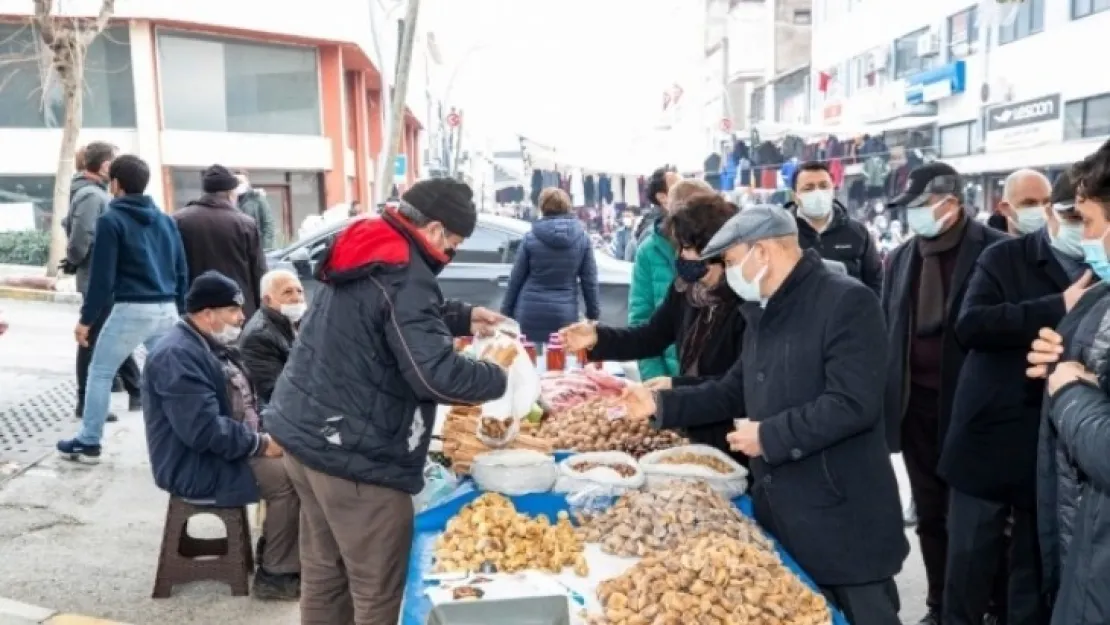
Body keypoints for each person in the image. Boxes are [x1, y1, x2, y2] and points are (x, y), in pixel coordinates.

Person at [621, 205, 907, 623]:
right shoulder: (764, 309)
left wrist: (769, 435)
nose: (731, 273)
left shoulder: (847, 302)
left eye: (733, 262)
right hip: (785, 513)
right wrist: (661, 404)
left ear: (763, 252)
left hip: (843, 520)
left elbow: (852, 404)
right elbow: (733, 388)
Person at [263, 178, 509, 625]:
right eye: (453, 241)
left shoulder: (368, 241)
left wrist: (461, 315)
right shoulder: (406, 274)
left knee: (325, 574)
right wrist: (500, 377)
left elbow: (379, 314)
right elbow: (435, 376)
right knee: (375, 590)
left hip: (306, 434)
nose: (451, 251)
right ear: (434, 229)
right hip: (355, 457)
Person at [939, 170, 1077, 625]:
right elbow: (972, 324)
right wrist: (1058, 306)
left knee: (1033, 573)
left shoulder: (1101, 266)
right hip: (989, 435)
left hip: (1054, 442)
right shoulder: (1003, 258)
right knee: (969, 563)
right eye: (1068, 215)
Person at [881, 161, 1010, 625]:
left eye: (918, 207)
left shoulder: (998, 252)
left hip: (974, 412)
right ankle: (940, 605)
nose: (910, 217)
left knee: (979, 522)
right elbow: (888, 329)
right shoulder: (899, 259)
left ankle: (990, 606)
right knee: (931, 516)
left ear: (950, 204)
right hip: (917, 408)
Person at [143, 271, 300, 600]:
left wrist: (273, 432)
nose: (242, 317)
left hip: (221, 450)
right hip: (193, 463)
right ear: (207, 314)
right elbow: (202, 430)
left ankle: (275, 552)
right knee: (290, 479)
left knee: (300, 462)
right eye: (233, 310)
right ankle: (276, 574)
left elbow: (245, 406)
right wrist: (260, 444)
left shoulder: (208, 344)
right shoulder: (177, 355)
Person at [561, 193, 745, 463]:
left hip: (734, 439)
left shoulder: (746, 304)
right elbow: (650, 336)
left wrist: (674, 385)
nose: (681, 256)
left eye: (688, 247)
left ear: (716, 250)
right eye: (679, 247)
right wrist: (596, 337)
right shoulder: (685, 290)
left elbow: (739, 385)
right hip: (693, 429)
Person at [57, 155, 188, 462]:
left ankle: (89, 441)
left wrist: (86, 320)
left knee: (100, 372)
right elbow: (182, 271)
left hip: (131, 308)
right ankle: (179, 442)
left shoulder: (111, 221)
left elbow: (102, 278)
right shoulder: (167, 220)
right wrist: (180, 311)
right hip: (167, 309)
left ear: (115, 184)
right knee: (167, 379)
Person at [1027, 148, 1110, 624]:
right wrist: (1059, 359)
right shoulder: (1097, 295)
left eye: (1093, 221)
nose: (1087, 237)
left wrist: (1071, 393)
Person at [61, 141, 141, 421]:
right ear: (105, 166)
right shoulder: (92, 195)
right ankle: (89, 402)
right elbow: (80, 237)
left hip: (101, 276)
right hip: (98, 277)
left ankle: (134, 389)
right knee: (93, 339)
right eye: (114, 161)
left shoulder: (91, 193)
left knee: (108, 334)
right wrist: (76, 260)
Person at [629, 178, 715, 380]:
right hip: (668, 375)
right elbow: (642, 319)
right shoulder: (649, 251)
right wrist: (656, 381)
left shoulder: (722, 250)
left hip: (712, 381)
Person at [501, 187, 599, 346]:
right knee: (561, 363)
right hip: (565, 314)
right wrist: (593, 315)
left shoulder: (530, 238)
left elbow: (516, 279)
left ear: (542, 207)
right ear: (568, 206)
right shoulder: (582, 239)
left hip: (530, 311)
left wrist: (506, 312)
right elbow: (590, 281)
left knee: (530, 362)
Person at [174, 165, 266, 319]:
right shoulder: (245, 224)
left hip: (197, 312)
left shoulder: (179, 220)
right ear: (231, 193)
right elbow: (258, 272)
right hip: (237, 311)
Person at [785, 160, 883, 295]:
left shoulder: (857, 233)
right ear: (795, 196)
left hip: (850, 313)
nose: (817, 193)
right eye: (808, 188)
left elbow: (876, 281)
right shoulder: (782, 234)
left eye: (823, 186)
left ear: (833, 190)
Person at [239, 269, 305, 405]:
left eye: (300, 291)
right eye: (288, 292)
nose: (296, 297)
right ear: (267, 300)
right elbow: (275, 390)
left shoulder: (299, 321)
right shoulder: (259, 336)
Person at [624, 165, 678, 262]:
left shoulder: (676, 223)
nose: (686, 190)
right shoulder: (654, 233)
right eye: (678, 188)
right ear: (662, 197)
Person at [234, 171, 275, 251]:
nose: (238, 184)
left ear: (247, 183)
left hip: (255, 247)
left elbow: (268, 224)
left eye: (240, 182)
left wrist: (265, 249)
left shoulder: (257, 198)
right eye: (236, 182)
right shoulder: (230, 200)